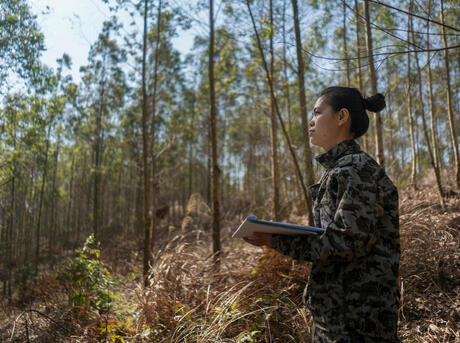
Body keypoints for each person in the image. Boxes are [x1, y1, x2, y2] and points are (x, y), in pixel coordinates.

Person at [244, 86, 400, 342]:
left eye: (317, 112)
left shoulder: (357, 170)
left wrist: (275, 239)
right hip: (338, 316)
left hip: (359, 322)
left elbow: (344, 242)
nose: (311, 120)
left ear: (341, 117)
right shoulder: (339, 170)